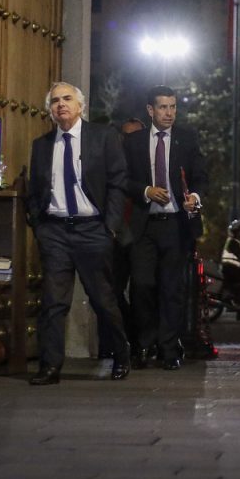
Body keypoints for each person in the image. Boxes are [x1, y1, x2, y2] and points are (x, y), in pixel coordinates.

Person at [26, 81, 132, 385]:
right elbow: (35, 191)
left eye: (67, 99)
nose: (61, 104)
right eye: (55, 101)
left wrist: (109, 226)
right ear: (49, 110)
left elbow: (118, 181)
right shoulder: (42, 145)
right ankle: (49, 367)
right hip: (56, 231)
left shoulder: (103, 136)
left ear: (80, 105)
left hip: (92, 229)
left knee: (102, 299)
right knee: (53, 302)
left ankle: (121, 354)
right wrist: (40, 226)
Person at [124, 85, 208, 371]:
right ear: (150, 110)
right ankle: (144, 343)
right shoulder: (134, 142)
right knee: (142, 285)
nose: (169, 113)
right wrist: (146, 190)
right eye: (163, 107)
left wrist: (194, 199)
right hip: (144, 225)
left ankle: (169, 348)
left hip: (175, 224)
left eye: (173, 107)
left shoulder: (187, 139)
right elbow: (123, 179)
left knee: (172, 289)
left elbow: (201, 177)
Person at [97, 118, 145, 360]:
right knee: (112, 292)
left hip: (139, 236)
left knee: (142, 291)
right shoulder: (112, 160)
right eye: (125, 137)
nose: (128, 142)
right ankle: (119, 343)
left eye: (134, 137)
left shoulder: (147, 163)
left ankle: (140, 344)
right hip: (117, 237)